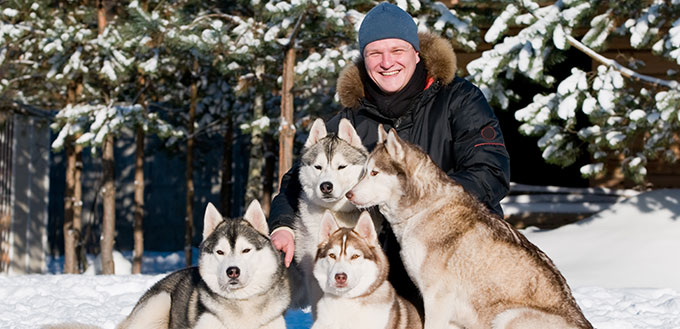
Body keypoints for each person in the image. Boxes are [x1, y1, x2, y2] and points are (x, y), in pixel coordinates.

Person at [268, 1, 510, 311]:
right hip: (385, 268)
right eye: (375, 53)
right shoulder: (351, 119)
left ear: (416, 52)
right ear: (364, 59)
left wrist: (419, 205)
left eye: (397, 51)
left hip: (457, 251)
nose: (387, 63)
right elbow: (298, 180)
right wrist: (283, 225)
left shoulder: (459, 99)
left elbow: (490, 172)